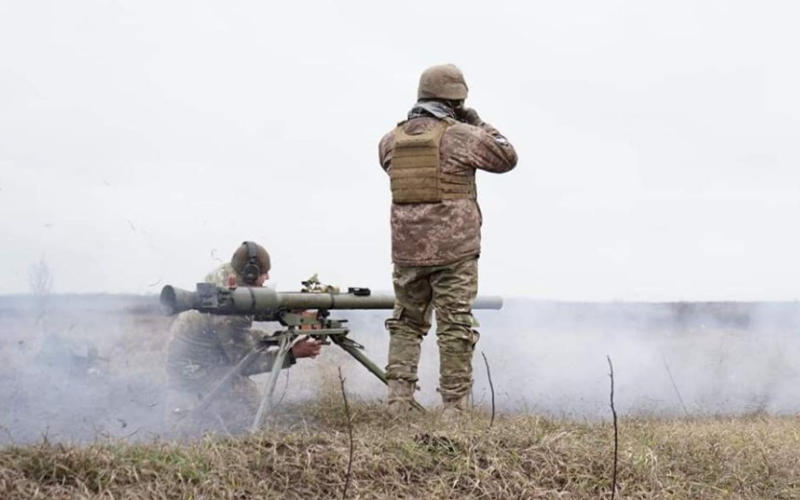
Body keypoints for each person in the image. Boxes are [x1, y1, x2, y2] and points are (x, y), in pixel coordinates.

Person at [378, 64, 518, 419]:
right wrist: (478, 124)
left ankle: (398, 401)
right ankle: (454, 408)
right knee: (455, 325)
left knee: (406, 323)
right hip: (454, 251)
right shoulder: (460, 135)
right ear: (457, 98)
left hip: (407, 251)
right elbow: (506, 157)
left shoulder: (390, 140)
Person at [165, 241, 322, 435]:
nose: (268, 277)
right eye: (264, 272)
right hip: (194, 367)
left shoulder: (228, 275)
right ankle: (211, 425)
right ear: (251, 273)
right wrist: (293, 354)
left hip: (197, 349)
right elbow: (246, 364)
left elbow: (252, 307)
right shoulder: (230, 309)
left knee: (260, 337)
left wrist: (287, 310)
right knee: (253, 411)